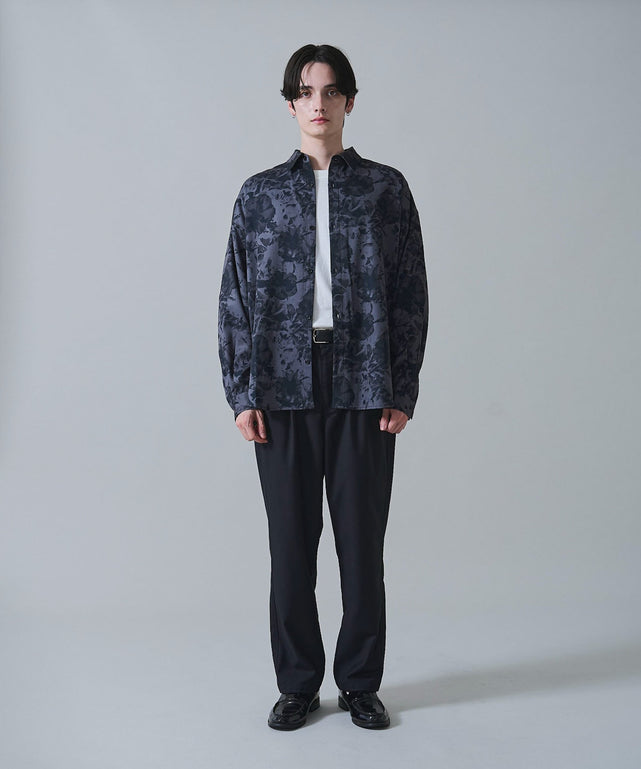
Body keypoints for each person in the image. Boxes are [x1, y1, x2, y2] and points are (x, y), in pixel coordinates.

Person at [218, 43, 428, 731]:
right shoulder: (259, 194)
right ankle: (297, 684)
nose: (318, 103)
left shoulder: (385, 189)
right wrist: (241, 391)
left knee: (361, 545)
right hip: (280, 382)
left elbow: (409, 291)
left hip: (363, 377)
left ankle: (360, 683)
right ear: (290, 103)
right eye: (306, 91)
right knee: (290, 547)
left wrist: (401, 386)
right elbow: (235, 296)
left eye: (331, 91)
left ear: (349, 102)